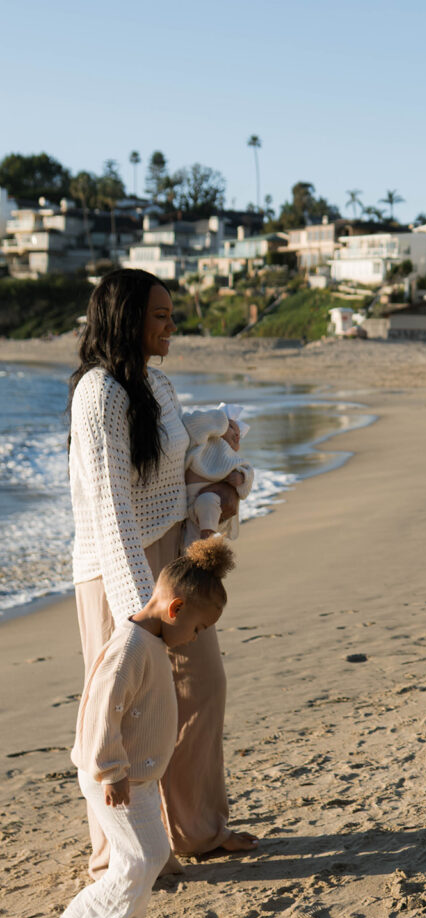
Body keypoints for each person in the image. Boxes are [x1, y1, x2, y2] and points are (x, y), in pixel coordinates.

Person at [68, 268, 257, 877]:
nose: (171, 325)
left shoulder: (158, 385)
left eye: (171, 314)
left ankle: (196, 831)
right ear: (126, 319)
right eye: (160, 316)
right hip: (117, 570)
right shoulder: (99, 395)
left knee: (201, 688)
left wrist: (220, 496)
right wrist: (136, 617)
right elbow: (110, 511)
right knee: (124, 709)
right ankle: (121, 857)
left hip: (171, 556)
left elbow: (174, 475)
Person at [49, 537, 235, 918]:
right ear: (175, 610)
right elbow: (101, 712)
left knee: (145, 858)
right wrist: (111, 770)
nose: (194, 638)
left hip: (139, 776)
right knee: (143, 856)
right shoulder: (130, 649)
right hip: (115, 777)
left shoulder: (154, 641)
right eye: (198, 629)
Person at [183, 403, 254, 542]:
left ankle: (207, 540)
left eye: (239, 434)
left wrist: (241, 477)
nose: (237, 434)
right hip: (191, 503)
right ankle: (196, 554)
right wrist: (220, 419)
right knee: (188, 545)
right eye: (232, 427)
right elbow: (189, 422)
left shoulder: (232, 457)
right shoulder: (203, 440)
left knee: (207, 501)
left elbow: (249, 471)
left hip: (216, 504)